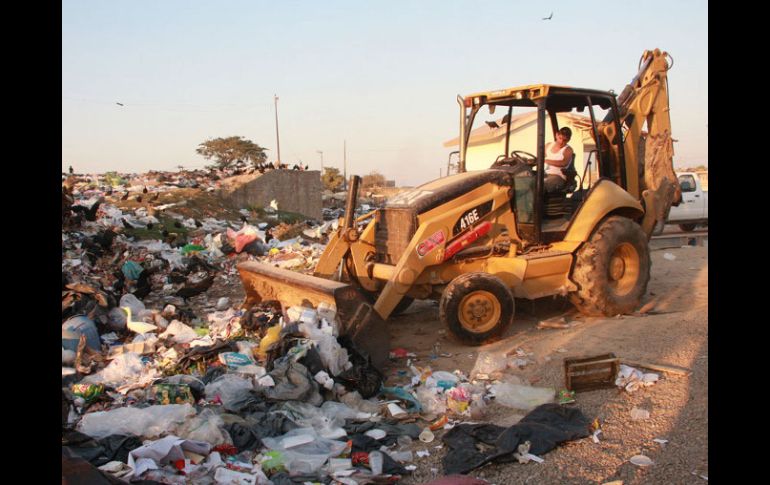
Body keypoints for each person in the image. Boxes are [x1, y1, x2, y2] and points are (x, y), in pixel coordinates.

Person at [544, 127, 574, 194]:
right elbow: (539, 158)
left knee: (541, 185)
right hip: (544, 174)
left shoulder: (568, 150)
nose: (561, 142)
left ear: (568, 140)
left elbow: (564, 163)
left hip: (558, 176)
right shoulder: (548, 146)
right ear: (556, 135)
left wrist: (546, 161)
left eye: (564, 140)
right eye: (560, 138)